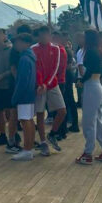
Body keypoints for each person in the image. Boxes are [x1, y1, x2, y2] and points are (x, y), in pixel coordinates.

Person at [76, 29, 102, 165]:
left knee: (89, 122)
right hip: (97, 85)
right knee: (97, 120)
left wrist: (81, 80)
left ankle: (88, 153)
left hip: (91, 86)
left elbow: (89, 71)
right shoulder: (99, 51)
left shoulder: (90, 52)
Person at [32, 25, 67, 155]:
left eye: (46, 35)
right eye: (42, 35)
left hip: (52, 84)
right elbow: (36, 68)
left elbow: (55, 68)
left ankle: (52, 134)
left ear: (50, 36)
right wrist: (40, 84)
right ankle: (43, 142)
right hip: (39, 86)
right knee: (40, 114)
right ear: (38, 36)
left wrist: (46, 84)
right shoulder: (33, 49)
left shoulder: (56, 49)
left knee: (62, 111)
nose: (44, 38)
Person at [10, 33, 37, 161]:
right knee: (29, 120)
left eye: (18, 42)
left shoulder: (24, 59)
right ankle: (29, 148)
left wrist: (16, 97)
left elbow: (22, 81)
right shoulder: (30, 57)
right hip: (30, 94)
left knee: (25, 121)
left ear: (26, 43)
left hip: (24, 95)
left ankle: (27, 149)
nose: (16, 44)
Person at [53, 31, 79, 137]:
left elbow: (67, 66)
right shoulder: (64, 50)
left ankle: (64, 129)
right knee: (67, 102)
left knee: (65, 103)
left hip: (65, 78)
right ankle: (70, 125)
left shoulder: (64, 50)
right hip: (65, 77)